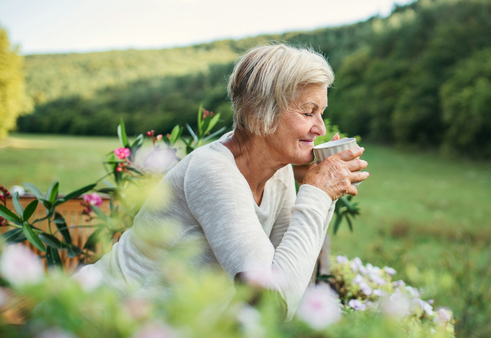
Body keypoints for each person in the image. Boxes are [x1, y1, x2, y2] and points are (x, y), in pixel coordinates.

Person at [74, 44, 369, 320]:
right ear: (258, 113)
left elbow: (289, 279)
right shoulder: (213, 171)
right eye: (308, 112)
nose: (319, 127)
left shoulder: (277, 171)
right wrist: (317, 194)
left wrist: (323, 194)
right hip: (99, 319)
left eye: (321, 113)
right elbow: (272, 301)